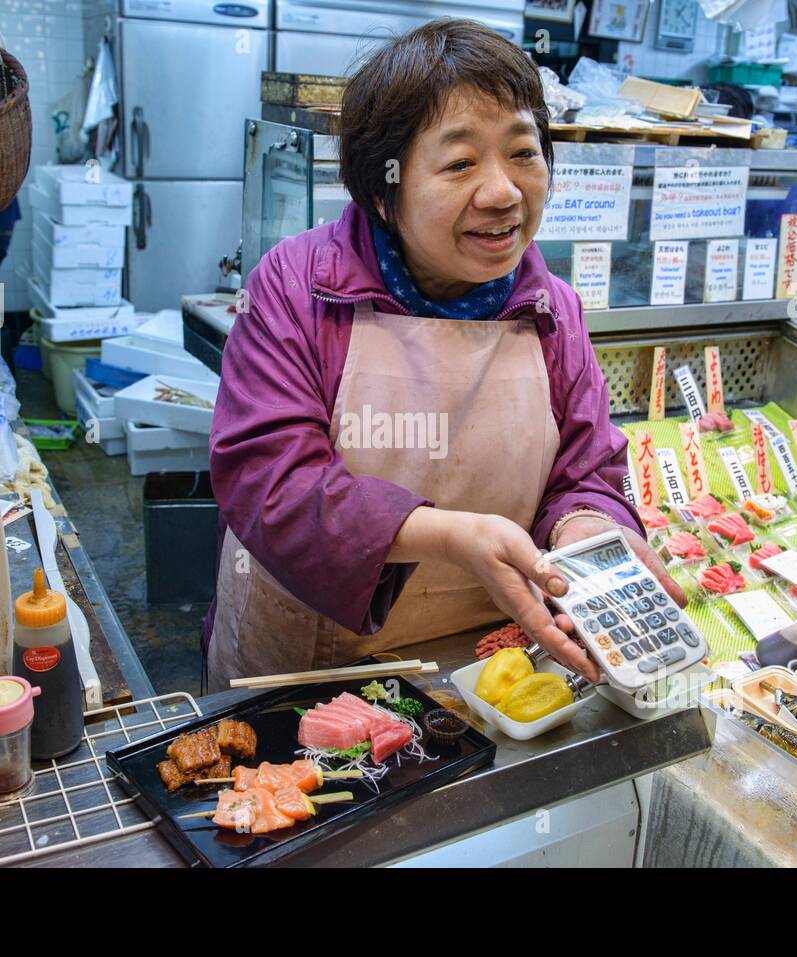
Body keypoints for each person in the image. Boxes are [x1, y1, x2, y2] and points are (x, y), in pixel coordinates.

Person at [202, 19, 685, 691]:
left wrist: (586, 528)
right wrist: (447, 534)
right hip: (305, 659)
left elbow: (587, 468)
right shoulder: (295, 286)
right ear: (383, 190)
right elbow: (269, 477)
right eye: (459, 163)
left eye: (523, 152)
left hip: (483, 661)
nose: (503, 191)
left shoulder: (553, 310)